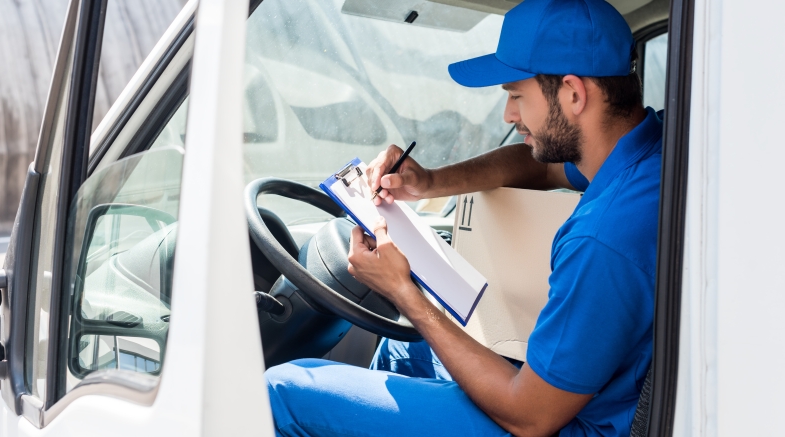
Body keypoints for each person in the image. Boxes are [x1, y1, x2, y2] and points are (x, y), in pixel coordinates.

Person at [266, 0, 661, 435]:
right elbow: (545, 166)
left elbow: (530, 416)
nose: (510, 115)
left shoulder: (604, 238)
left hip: (568, 422)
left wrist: (402, 290)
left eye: (516, 96)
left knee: (281, 390)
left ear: (572, 93)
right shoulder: (650, 151)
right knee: (407, 355)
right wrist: (430, 181)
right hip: (586, 390)